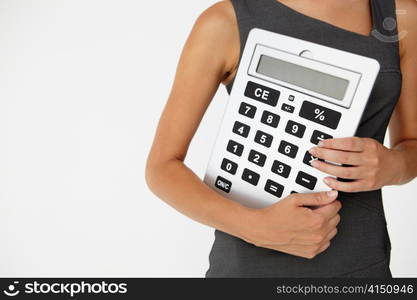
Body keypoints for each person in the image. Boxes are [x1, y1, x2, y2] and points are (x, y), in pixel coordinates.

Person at [146, 0, 417, 277]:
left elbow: (412, 145)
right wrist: (255, 227)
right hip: (248, 271)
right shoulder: (224, 21)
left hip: (361, 267)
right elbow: (162, 168)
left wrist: (393, 166)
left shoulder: (403, 17)